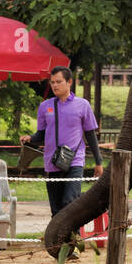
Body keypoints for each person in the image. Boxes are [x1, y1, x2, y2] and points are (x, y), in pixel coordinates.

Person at [20, 66, 102, 217]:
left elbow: (90, 134)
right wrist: (31, 138)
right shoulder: (45, 106)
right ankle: (58, 240)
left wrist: (99, 162)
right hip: (52, 162)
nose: (55, 85)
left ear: (69, 82)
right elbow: (41, 134)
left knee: (70, 202)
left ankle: (74, 239)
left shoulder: (82, 105)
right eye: (52, 82)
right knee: (56, 208)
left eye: (58, 81)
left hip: (74, 160)